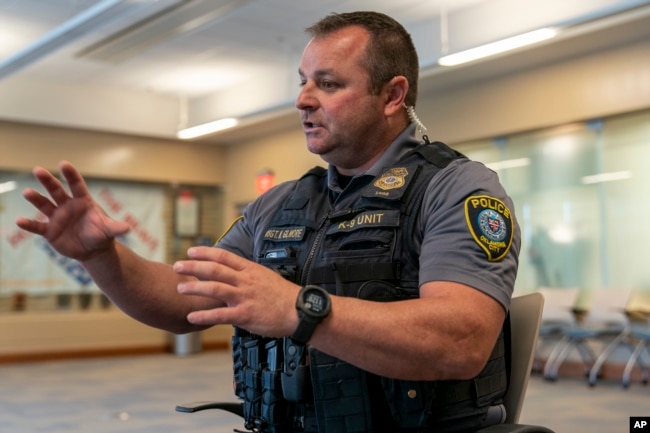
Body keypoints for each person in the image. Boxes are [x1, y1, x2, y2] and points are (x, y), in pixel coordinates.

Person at [16, 11, 520, 433]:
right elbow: (182, 300)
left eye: (328, 83)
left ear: (392, 96)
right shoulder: (278, 205)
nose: (303, 99)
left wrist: (299, 309)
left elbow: (461, 340)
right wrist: (100, 256)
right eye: (302, 82)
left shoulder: (457, 189)